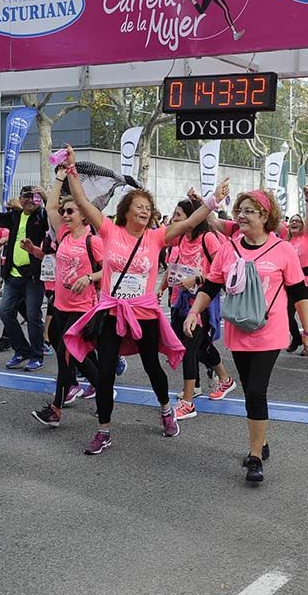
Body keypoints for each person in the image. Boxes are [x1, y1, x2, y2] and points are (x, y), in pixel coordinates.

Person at [61, 146, 229, 454]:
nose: (144, 210)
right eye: (138, 206)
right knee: (107, 370)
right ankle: (103, 430)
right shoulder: (109, 230)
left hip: (145, 313)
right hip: (112, 312)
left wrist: (213, 199)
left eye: (148, 207)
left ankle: (166, 410)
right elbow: (83, 202)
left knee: (153, 366)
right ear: (126, 210)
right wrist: (72, 171)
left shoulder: (155, 237)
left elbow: (191, 223)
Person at [184, 189, 308, 482]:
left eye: (248, 211)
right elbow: (211, 285)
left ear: (265, 216)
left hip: (271, 332)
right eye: (239, 210)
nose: (241, 216)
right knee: (248, 390)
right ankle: (262, 439)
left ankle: (255, 456)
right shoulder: (228, 248)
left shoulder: (283, 250)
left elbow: (298, 293)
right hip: (238, 330)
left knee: (257, 391)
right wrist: (194, 312)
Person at [30, 168, 105, 428]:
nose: (64, 215)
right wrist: (61, 176)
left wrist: (90, 278)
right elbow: (51, 206)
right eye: (64, 212)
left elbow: (110, 269)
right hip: (61, 306)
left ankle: (55, 410)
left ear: (85, 215)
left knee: (66, 357)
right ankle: (104, 390)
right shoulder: (62, 234)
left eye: (70, 211)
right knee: (79, 359)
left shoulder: (92, 241)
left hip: (83, 309)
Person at [157, 195, 237, 421]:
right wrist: (162, 288)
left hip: (202, 302)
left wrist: (198, 279)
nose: (174, 218)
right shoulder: (181, 239)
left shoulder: (209, 238)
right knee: (199, 347)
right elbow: (173, 267)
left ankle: (188, 402)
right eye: (174, 215)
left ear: (193, 217)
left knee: (190, 349)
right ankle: (225, 379)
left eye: (179, 215)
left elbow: (222, 271)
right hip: (180, 301)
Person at [0, 184, 49, 372]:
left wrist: (46, 197)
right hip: (13, 274)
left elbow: (53, 219)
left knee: (33, 316)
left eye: (34, 197)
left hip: (33, 275)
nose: (29, 200)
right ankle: (21, 350)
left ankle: (37, 355)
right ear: (20, 198)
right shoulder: (15, 216)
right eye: (26, 196)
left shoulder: (42, 216)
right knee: (5, 312)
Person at [284, 187, 308, 353]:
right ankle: (297, 338)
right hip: (291, 283)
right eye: (292, 221)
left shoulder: (307, 237)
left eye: (298, 220)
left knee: (307, 315)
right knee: (287, 314)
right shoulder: (286, 243)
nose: (294, 222)